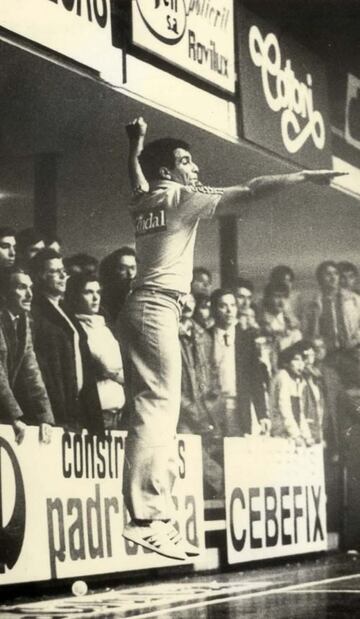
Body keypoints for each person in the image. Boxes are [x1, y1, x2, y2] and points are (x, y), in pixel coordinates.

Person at [120, 115, 341, 560]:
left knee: (156, 404)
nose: (195, 169)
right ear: (169, 172)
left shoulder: (146, 198)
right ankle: (146, 517)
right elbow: (253, 188)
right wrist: (300, 175)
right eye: (186, 161)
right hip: (157, 305)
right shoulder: (182, 196)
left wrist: (136, 142)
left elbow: (138, 175)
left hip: (144, 305)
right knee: (157, 406)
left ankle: (152, 515)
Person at [30, 249, 103, 434]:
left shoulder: (65, 310)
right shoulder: (36, 313)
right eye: (54, 271)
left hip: (77, 411)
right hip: (57, 413)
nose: (63, 275)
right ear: (39, 276)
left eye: (63, 270)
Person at [65, 273, 126, 430]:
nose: (95, 298)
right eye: (88, 292)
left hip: (118, 413)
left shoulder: (105, 328)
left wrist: (113, 373)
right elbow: (105, 365)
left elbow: (115, 366)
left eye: (98, 292)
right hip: (97, 414)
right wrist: (115, 373)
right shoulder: (75, 329)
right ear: (75, 296)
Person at [0, 266, 54, 444]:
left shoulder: (24, 321)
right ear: (5, 292)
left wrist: (45, 417)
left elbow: (32, 373)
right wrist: (13, 416)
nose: (30, 295)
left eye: (30, 288)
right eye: (22, 288)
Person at [270, 342, 313, 446]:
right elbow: (284, 408)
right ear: (286, 362)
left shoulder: (299, 381)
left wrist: (307, 435)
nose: (300, 364)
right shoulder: (283, 376)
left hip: (292, 430)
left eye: (302, 360)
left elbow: (299, 412)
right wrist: (296, 435)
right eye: (296, 360)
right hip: (280, 430)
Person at [99, 246, 137, 326]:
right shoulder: (102, 300)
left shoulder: (137, 295)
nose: (130, 274)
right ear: (112, 270)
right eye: (123, 269)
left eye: (133, 268)